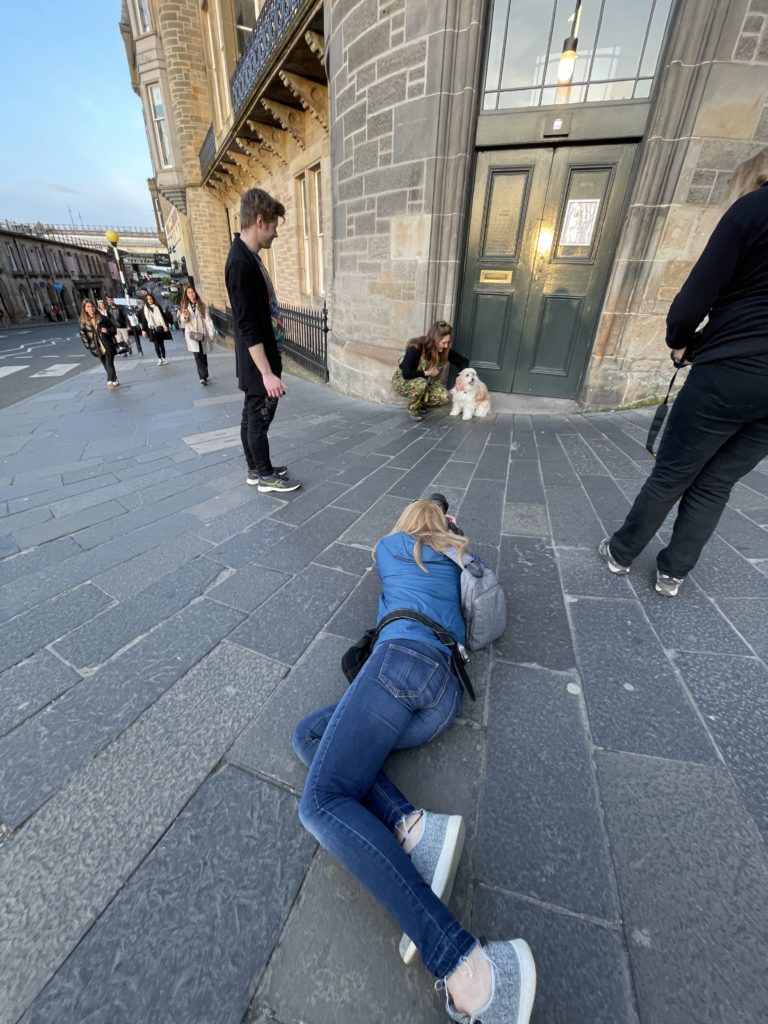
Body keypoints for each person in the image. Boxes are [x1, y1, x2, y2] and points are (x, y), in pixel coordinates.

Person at [292, 499, 536, 1024]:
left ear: (406, 521)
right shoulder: (460, 554)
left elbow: (390, 576)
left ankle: (464, 961)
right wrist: (451, 533)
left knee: (321, 802)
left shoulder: (389, 546)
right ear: (447, 524)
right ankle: (412, 825)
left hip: (398, 665)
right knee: (309, 734)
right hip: (443, 697)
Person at [599, 179, 768, 597]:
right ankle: (672, 574)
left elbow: (700, 289)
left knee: (673, 473)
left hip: (734, 366)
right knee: (717, 483)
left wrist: (682, 339)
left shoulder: (753, 209)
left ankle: (621, 553)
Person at [225, 187, 300, 494]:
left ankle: (256, 469)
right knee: (259, 418)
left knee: (251, 415)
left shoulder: (247, 257)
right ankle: (266, 475)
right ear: (260, 221)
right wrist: (267, 373)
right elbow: (248, 325)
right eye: (274, 226)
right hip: (259, 362)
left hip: (259, 359)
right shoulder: (241, 264)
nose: (276, 233)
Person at [393, 321, 469, 421]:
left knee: (444, 396)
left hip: (423, 381)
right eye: (444, 343)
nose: (446, 346)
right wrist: (429, 373)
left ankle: (420, 402)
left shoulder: (443, 350)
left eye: (448, 343)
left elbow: (463, 361)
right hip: (403, 381)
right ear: (435, 339)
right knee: (421, 383)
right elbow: (406, 374)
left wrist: (460, 377)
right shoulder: (415, 348)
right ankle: (413, 409)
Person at [79, 299, 119, 390]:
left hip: (107, 344)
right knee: (105, 365)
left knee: (109, 363)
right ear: (84, 309)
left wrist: (107, 330)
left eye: (92, 306)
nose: (91, 308)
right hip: (96, 347)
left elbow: (114, 329)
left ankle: (109, 381)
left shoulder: (102, 318)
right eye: (88, 307)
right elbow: (83, 335)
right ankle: (114, 378)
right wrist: (88, 345)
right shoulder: (83, 322)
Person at [179, 285, 214, 385]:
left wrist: (211, 332)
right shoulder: (184, 306)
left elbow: (208, 320)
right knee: (197, 355)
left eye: (193, 292)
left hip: (202, 333)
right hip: (192, 335)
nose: (191, 294)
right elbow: (182, 321)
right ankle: (202, 377)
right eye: (189, 292)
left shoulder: (202, 305)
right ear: (186, 295)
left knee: (203, 355)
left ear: (196, 293)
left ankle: (205, 373)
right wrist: (185, 317)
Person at [140, 293, 171, 364]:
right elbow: (144, 320)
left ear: (153, 299)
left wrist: (165, 326)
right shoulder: (145, 309)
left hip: (160, 327)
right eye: (148, 299)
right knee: (156, 345)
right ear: (146, 300)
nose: (150, 300)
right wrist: (143, 330)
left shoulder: (157, 307)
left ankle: (164, 358)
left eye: (151, 299)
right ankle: (159, 358)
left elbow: (163, 317)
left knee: (161, 344)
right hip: (151, 328)